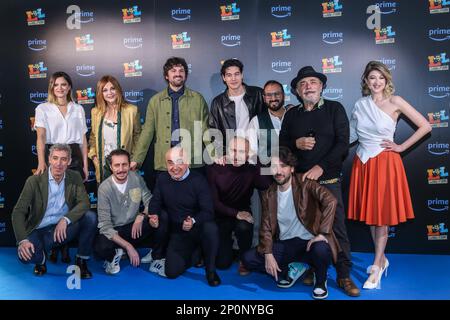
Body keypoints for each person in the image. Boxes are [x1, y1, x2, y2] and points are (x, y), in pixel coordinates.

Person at [348, 61, 431, 289]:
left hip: (385, 162)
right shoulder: (360, 104)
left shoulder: (396, 101)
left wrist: (402, 147)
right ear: (365, 80)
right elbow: (351, 135)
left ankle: (377, 266)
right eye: (372, 77)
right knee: (371, 217)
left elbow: (425, 126)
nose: (376, 82)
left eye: (380, 78)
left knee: (382, 217)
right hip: (363, 162)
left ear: (387, 81)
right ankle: (382, 258)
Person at [279, 66, 360, 297]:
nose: (308, 86)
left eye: (312, 82)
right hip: (301, 184)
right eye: (303, 84)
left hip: (328, 179)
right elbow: (282, 146)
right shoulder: (292, 114)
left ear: (321, 86)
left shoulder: (335, 108)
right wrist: (296, 143)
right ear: (296, 90)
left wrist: (320, 167)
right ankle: (313, 268)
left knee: (337, 229)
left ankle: (344, 275)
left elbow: (343, 144)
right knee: (306, 228)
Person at [242, 147, 339, 299]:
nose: (278, 171)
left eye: (283, 166)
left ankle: (320, 280)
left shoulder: (306, 183)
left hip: (310, 243)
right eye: (274, 167)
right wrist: (268, 253)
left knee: (321, 249)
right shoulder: (269, 194)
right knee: (249, 258)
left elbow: (331, 201)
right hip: (288, 245)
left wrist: (322, 233)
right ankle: (293, 267)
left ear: (292, 168)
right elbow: (266, 227)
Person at [11, 144, 97, 278]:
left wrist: (65, 219)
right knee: (25, 257)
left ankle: (81, 260)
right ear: (49, 159)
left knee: (90, 217)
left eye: (63, 159)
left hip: (63, 229)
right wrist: (22, 240)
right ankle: (41, 260)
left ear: (69, 162)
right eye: (55, 158)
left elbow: (85, 202)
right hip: (39, 229)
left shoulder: (74, 176)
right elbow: (18, 212)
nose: (59, 163)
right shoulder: (34, 181)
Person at [34, 71, 89, 262]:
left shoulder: (78, 109)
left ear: (69, 87)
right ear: (51, 87)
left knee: (71, 203)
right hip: (54, 155)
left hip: (73, 157)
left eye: (64, 84)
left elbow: (82, 139)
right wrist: (41, 161)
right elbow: (40, 137)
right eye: (56, 85)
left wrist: (85, 164)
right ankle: (53, 246)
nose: (60, 88)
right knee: (53, 201)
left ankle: (65, 246)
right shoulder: (43, 108)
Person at [148, 146, 221, 286]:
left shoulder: (199, 180)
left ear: (187, 162)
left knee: (211, 228)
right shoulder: (162, 178)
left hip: (198, 228)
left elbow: (209, 211)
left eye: (179, 162)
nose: (174, 167)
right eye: (170, 162)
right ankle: (196, 254)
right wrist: (153, 216)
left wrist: (193, 221)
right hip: (179, 233)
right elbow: (155, 202)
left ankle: (211, 271)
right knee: (171, 272)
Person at [131, 57, 209, 176]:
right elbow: (147, 132)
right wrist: (136, 159)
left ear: (186, 75)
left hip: (192, 160)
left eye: (181, 70)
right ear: (166, 76)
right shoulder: (155, 101)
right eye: (173, 71)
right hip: (165, 161)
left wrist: (215, 154)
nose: (178, 74)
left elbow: (205, 130)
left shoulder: (197, 99)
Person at [95, 149, 167, 275]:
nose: (121, 169)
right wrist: (129, 247)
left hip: (134, 228)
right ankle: (117, 253)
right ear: (111, 167)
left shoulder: (136, 178)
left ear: (129, 165)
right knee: (100, 247)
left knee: (161, 215)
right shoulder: (104, 188)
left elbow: (150, 201)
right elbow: (105, 226)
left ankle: (156, 256)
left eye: (124, 164)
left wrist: (142, 215)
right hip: (115, 231)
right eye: (117, 165)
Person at [207, 136, 271, 275]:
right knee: (222, 264)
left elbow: (266, 184)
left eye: (241, 152)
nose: (236, 156)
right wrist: (235, 213)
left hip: (242, 214)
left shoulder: (251, 169)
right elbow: (214, 203)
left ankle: (244, 258)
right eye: (233, 150)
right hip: (221, 215)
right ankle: (227, 247)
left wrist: (256, 158)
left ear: (248, 154)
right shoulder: (216, 168)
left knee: (244, 226)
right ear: (227, 151)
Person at [89, 75, 141, 183]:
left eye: (112, 88)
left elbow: (138, 138)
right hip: (104, 165)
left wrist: (134, 160)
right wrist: (94, 157)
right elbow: (93, 137)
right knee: (106, 197)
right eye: (105, 90)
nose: (110, 93)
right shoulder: (96, 112)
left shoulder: (131, 110)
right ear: (100, 94)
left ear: (118, 90)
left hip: (124, 165)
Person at [209, 58, 264, 161]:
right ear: (224, 78)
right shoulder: (217, 102)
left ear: (242, 75)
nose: (233, 78)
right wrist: (223, 153)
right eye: (229, 75)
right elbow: (214, 132)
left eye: (237, 74)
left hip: (255, 153)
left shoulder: (258, 94)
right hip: (232, 154)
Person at [248, 80, 288, 165]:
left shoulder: (294, 116)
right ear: (264, 98)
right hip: (267, 173)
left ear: (283, 95)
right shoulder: (256, 122)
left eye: (277, 94)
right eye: (269, 95)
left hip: (294, 173)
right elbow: (252, 155)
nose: (273, 98)